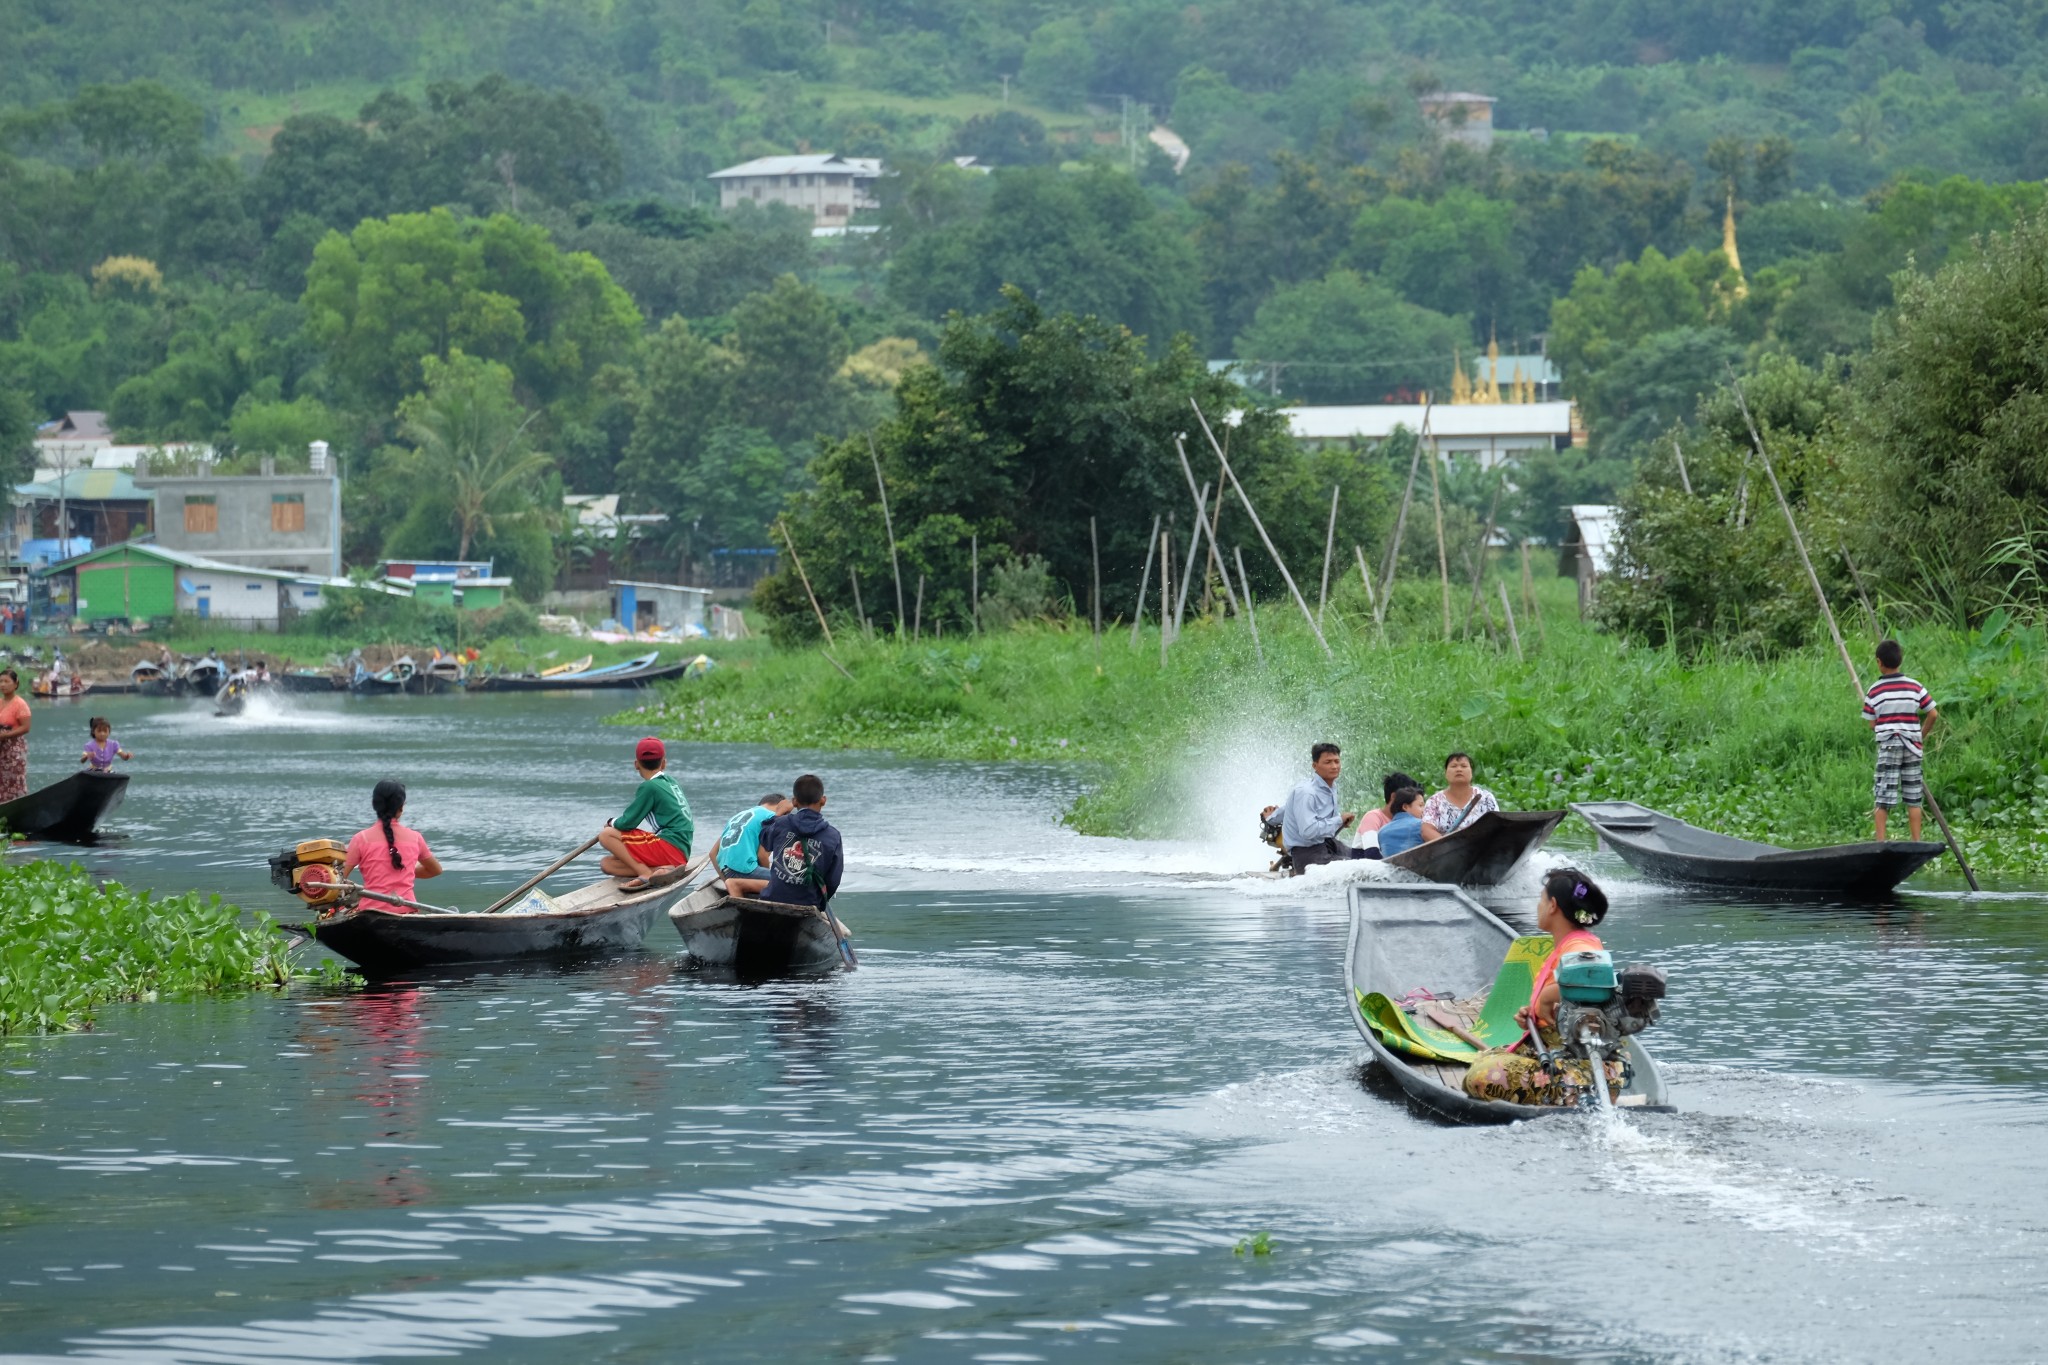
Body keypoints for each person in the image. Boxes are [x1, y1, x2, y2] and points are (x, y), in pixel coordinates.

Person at [1462, 868, 1622, 1106]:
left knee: (1481, 1077)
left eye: (1541, 900)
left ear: (1553, 905)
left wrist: (1547, 996)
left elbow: (1598, 979)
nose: (1538, 906)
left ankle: (1573, 1096)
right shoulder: (1568, 945)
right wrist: (1533, 1014)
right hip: (1557, 1055)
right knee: (1485, 1059)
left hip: (1583, 1073)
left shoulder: (1580, 946)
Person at [598, 736, 695, 890]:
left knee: (606, 835)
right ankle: (661, 871)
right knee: (608, 864)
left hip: (669, 846)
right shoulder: (671, 782)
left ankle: (645, 874)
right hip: (681, 850)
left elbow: (628, 822)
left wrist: (611, 822)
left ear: (636, 764)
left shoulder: (650, 787)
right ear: (664, 763)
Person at [1865, 638, 1938, 842]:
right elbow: (1933, 714)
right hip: (1912, 746)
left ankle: (1880, 842)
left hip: (1889, 745)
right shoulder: (1915, 687)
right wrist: (1920, 736)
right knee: (1913, 797)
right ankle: (1916, 841)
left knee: (1883, 796)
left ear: (1879, 662)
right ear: (1900, 660)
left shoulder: (1874, 691)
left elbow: (1872, 724)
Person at [1271, 742, 1376, 874]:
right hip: (1306, 854)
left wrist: (1340, 823)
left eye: (1337, 761)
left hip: (1326, 844)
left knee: (1365, 856)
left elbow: (1290, 810)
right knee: (1359, 867)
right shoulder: (1306, 793)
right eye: (1328, 762)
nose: (1334, 766)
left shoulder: (1330, 788)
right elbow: (1308, 831)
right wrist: (1338, 820)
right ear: (1315, 766)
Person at [341, 779, 443, 911]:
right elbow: (435, 870)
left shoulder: (361, 839)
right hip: (407, 910)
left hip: (371, 911)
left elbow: (340, 878)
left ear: (375, 805)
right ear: (401, 808)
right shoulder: (415, 838)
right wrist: (406, 870)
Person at [759, 773, 844, 909]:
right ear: (823, 800)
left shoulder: (781, 823)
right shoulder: (833, 836)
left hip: (774, 897)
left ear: (794, 802)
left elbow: (764, 840)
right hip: (809, 903)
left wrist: (778, 813)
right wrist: (820, 904)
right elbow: (833, 880)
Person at [716, 792, 789, 897]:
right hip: (744, 870)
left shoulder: (738, 816)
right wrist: (769, 876)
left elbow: (712, 853)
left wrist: (725, 878)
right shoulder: (771, 817)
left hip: (726, 870)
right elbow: (762, 855)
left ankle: (733, 884)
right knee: (790, 881)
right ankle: (736, 885)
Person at [1423, 752, 1499, 836]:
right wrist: (1448, 847)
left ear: (1472, 773)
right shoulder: (1435, 801)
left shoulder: (1486, 798)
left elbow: (1496, 825)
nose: (1459, 769)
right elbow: (1427, 830)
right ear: (1446, 773)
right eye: (1453, 766)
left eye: (1464, 766)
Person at [1375, 786, 1441, 857]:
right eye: (1420, 805)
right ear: (1405, 807)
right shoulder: (1423, 825)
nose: (1424, 809)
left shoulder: (1381, 832)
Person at [0, 669, 29, 802]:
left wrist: (6, 735)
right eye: (1, 681)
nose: (3, 685)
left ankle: (17, 806)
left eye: (7, 681)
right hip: (1, 748)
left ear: (15, 683)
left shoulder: (20, 704)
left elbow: (25, 727)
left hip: (14, 749)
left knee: (14, 779)